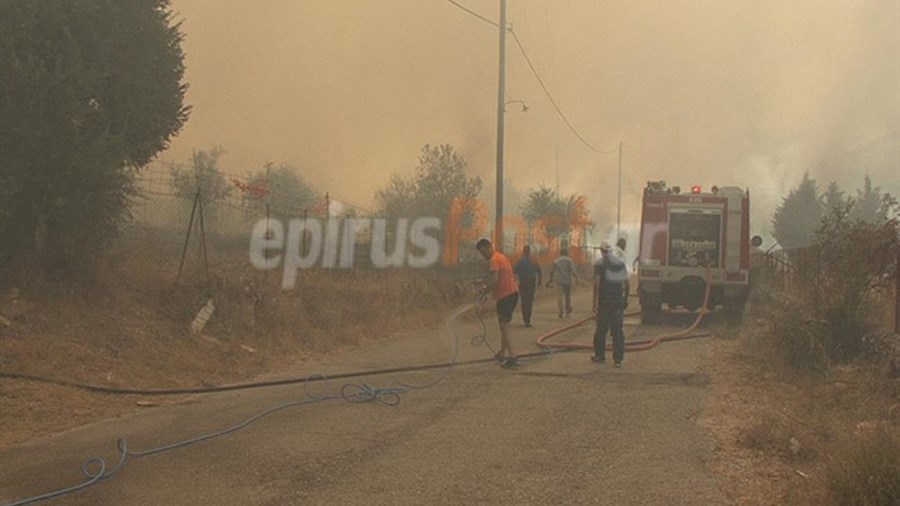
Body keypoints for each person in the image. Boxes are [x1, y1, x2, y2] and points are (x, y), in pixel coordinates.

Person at [476, 238, 519, 368]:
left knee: (504, 327)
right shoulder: (501, 256)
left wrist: (484, 292)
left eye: (484, 252)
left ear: (488, 247)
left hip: (505, 296)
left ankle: (512, 356)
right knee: (503, 325)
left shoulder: (494, 260)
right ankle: (502, 352)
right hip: (512, 294)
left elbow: (494, 279)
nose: (483, 255)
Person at [592, 241, 630, 367]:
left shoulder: (599, 264)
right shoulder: (620, 264)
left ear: (602, 251)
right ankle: (618, 359)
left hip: (605, 302)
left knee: (601, 329)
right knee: (617, 331)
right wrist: (625, 299)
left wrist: (594, 302)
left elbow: (597, 284)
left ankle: (600, 355)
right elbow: (627, 283)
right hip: (617, 302)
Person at [513, 245, 542, 327]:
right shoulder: (534, 260)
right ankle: (528, 319)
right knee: (529, 301)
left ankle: (525, 318)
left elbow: (515, 270)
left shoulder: (521, 261)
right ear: (529, 251)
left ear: (524, 251)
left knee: (523, 300)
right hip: (531, 282)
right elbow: (539, 272)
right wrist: (539, 282)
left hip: (523, 282)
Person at [546, 248, 576, 318]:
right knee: (567, 297)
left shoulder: (556, 261)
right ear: (566, 253)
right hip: (567, 281)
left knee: (559, 297)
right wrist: (576, 278)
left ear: (560, 253)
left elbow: (552, 271)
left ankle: (561, 312)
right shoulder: (569, 260)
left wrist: (550, 280)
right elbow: (573, 270)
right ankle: (567, 313)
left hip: (559, 281)